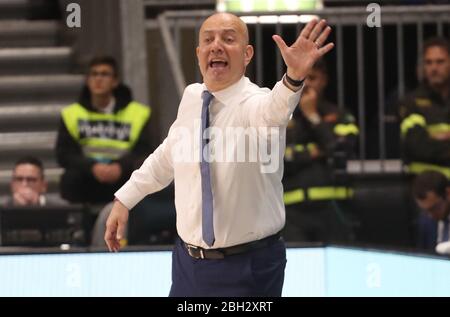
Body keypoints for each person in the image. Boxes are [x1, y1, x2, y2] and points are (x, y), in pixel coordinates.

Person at [105, 13, 334, 297]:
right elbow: (166, 156)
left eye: (228, 39)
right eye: (208, 39)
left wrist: (293, 78)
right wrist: (124, 200)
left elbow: (275, 110)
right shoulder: (191, 97)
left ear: (247, 54)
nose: (216, 46)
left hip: (249, 266)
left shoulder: (255, 102)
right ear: (199, 53)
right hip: (188, 264)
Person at [55, 56, 155, 204]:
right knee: (70, 178)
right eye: (94, 74)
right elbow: (64, 154)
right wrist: (92, 167)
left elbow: (144, 151)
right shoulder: (72, 114)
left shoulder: (138, 113)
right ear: (88, 80)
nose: (98, 79)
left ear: (115, 81)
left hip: (123, 174)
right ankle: (75, 226)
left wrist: (120, 167)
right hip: (88, 176)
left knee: (143, 177)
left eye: (104, 74)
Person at [282, 59, 358, 243]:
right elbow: (276, 158)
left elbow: (342, 151)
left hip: (334, 210)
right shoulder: (280, 117)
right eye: (302, 78)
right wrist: (315, 151)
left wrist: (313, 117)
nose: (306, 84)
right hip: (292, 213)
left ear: (324, 80)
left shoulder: (340, 115)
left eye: (313, 78)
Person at [399, 37, 450, 177]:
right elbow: (418, 146)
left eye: (440, 62)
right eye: (429, 62)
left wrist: (434, 137)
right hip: (426, 189)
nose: (434, 68)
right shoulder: (411, 102)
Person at [412, 171, 450, 252]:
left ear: (448, 193)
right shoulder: (425, 222)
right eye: (425, 210)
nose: (430, 215)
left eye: (434, 208)